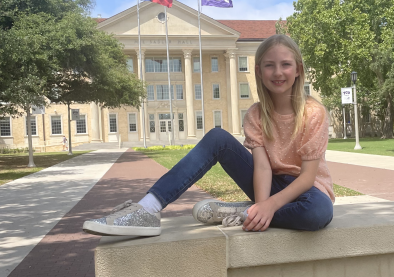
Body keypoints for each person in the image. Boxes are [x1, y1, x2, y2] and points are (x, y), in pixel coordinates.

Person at [82, 34, 334, 237]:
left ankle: (248, 212)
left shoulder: (313, 113)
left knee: (316, 214)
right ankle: (148, 208)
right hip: (269, 185)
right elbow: (263, 168)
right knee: (217, 138)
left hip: (308, 190)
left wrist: (266, 207)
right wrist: (262, 202)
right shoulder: (256, 115)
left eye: (285, 64)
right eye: (270, 65)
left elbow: (307, 177)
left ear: (298, 69)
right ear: (258, 71)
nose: (278, 72)